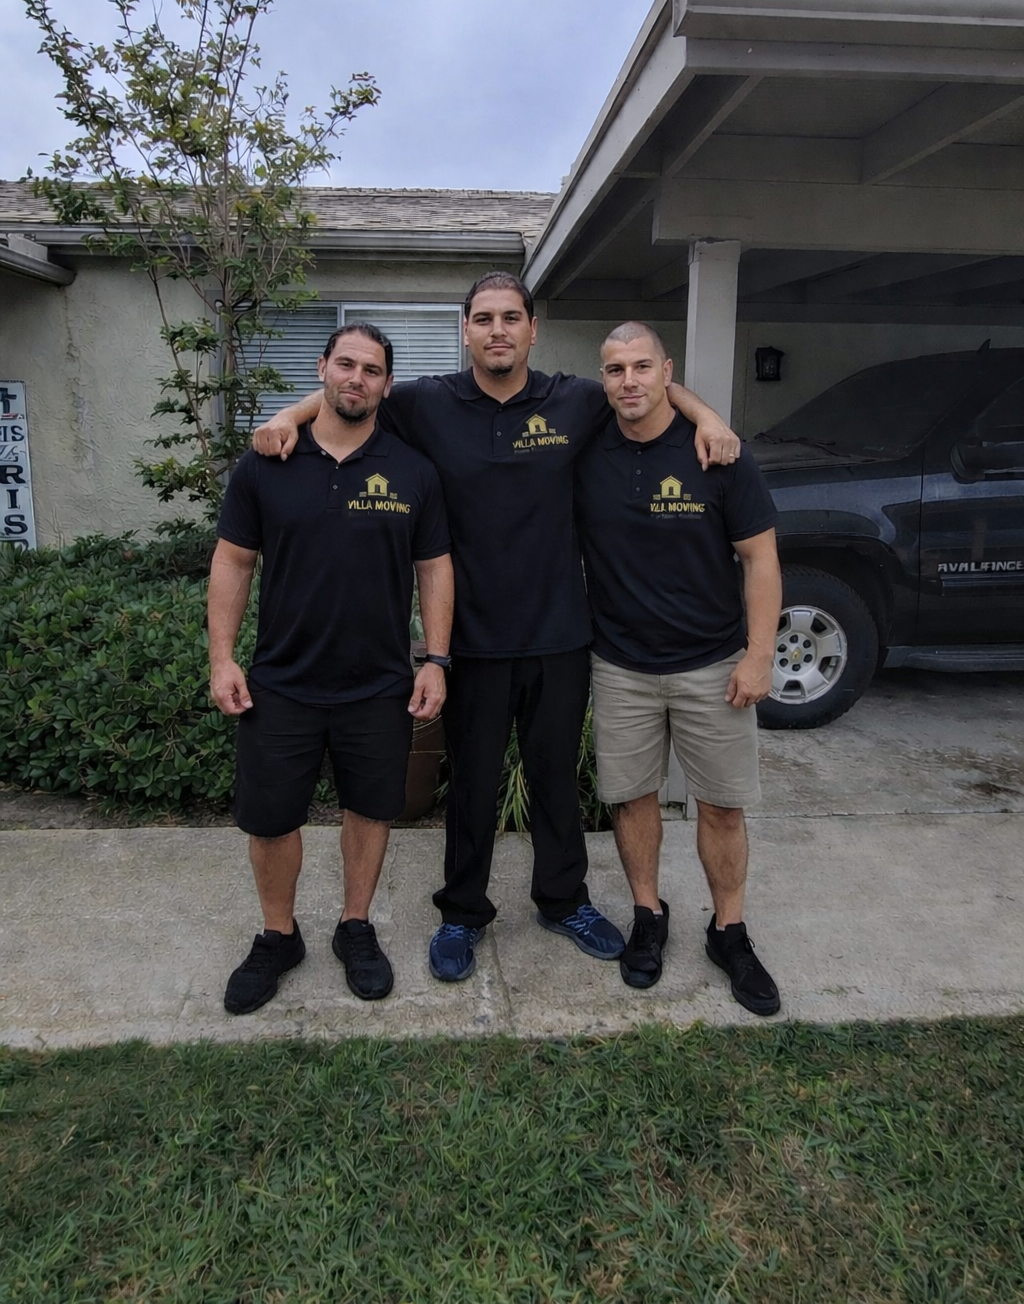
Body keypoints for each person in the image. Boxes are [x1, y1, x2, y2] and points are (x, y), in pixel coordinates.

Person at [254, 274, 740, 984]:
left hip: (560, 634)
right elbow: (351, 395)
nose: (498, 330)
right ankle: (462, 912)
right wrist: (290, 418)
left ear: (532, 330)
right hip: (472, 643)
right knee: (474, 786)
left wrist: (711, 419)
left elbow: (650, 391)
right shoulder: (427, 403)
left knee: (553, 782)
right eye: (483, 319)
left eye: (511, 317)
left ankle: (562, 899)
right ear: (466, 331)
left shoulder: (573, 399)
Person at [209, 323, 453, 1013]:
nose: (357, 378)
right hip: (281, 680)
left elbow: (435, 567)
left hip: (377, 683)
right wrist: (222, 657)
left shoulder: (412, 471)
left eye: (372, 370)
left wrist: (434, 658)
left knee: (369, 811)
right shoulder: (267, 464)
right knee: (270, 820)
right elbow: (233, 560)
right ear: (322, 368)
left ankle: (354, 926)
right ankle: (278, 935)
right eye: (345, 364)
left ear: (386, 385)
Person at [574, 321, 783, 1014]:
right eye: (614, 370)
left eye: (641, 367)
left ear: (668, 371)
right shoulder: (585, 446)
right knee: (632, 799)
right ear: (601, 379)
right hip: (621, 664)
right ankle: (647, 916)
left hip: (713, 662)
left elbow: (760, 559)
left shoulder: (718, 455)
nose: (628, 381)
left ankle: (730, 931)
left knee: (722, 806)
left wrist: (760, 655)